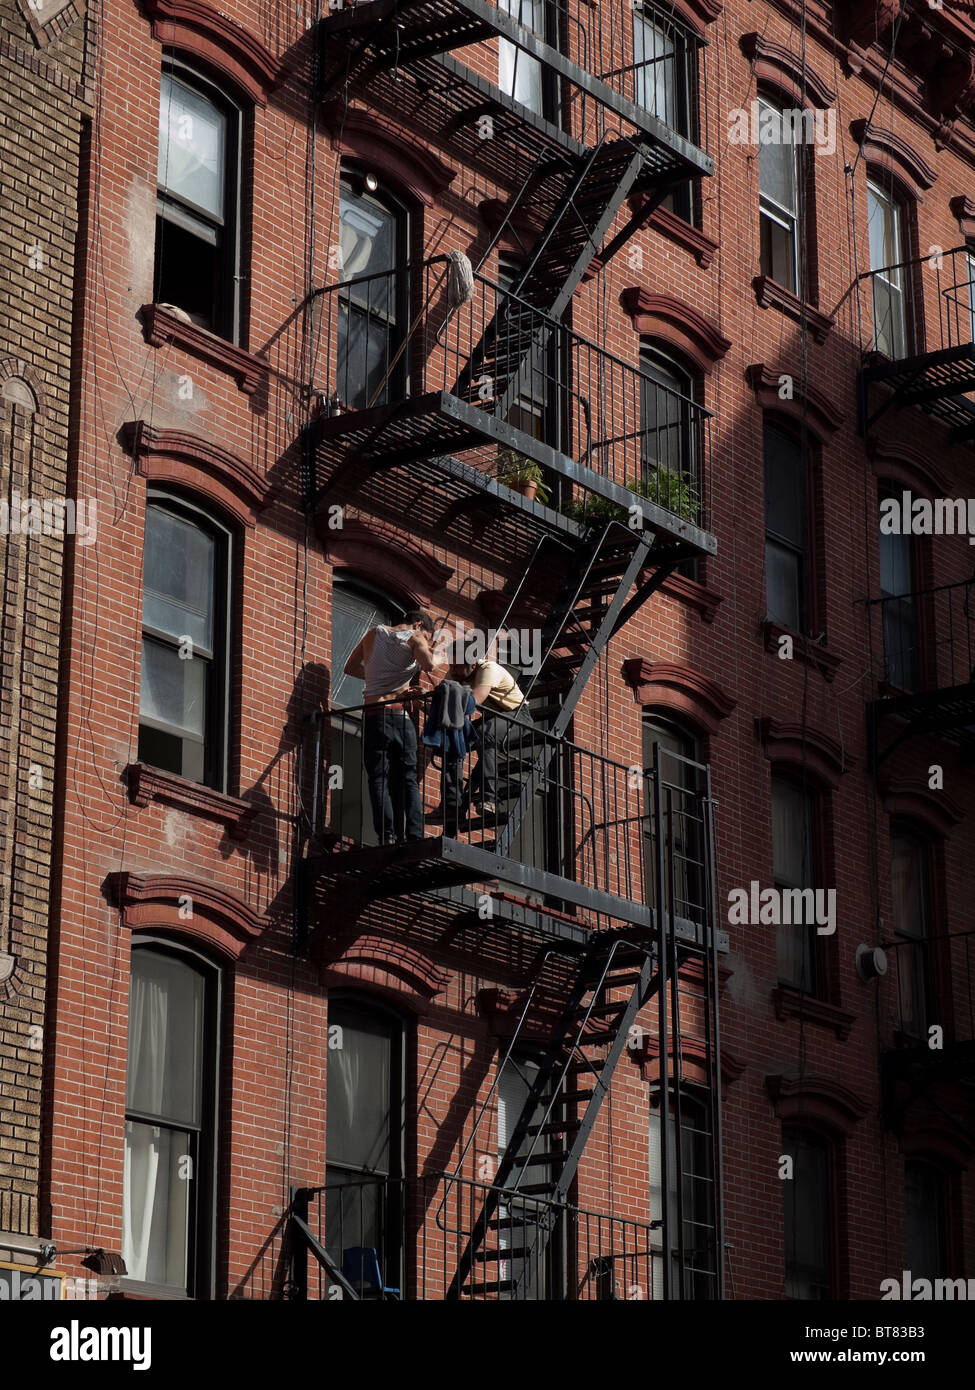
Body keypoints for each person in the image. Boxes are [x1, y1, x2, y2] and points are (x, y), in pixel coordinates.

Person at [343, 611, 437, 845]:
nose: (425, 641)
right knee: (408, 778)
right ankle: (415, 835)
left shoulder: (373, 633)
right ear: (418, 625)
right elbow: (430, 665)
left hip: (374, 714)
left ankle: (387, 836)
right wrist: (424, 645)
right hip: (400, 716)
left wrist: (379, 677)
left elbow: (349, 667)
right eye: (427, 636)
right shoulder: (414, 636)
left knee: (378, 779)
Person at [433, 636, 534, 831]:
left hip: (519, 716)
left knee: (484, 734)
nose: (452, 671)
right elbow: (441, 707)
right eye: (451, 665)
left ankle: (490, 798)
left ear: (471, 663)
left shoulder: (489, 670)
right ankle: (451, 805)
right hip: (493, 718)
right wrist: (424, 701)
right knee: (451, 741)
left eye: (456, 666)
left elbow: (474, 701)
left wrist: (445, 700)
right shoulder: (456, 673)